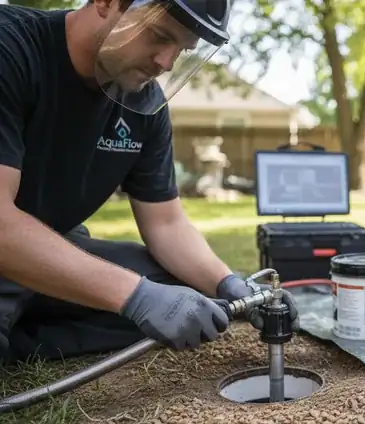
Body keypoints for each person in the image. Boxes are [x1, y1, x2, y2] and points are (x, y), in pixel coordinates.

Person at [0, 0, 297, 364]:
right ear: (106, 3)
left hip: (56, 247)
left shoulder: (145, 103)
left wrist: (231, 285)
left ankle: (23, 331)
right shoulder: (10, 45)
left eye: (183, 49)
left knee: (188, 294)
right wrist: (134, 295)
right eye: (159, 35)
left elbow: (166, 224)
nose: (166, 62)